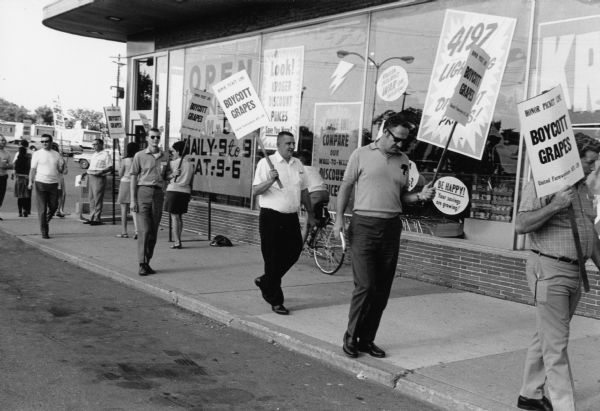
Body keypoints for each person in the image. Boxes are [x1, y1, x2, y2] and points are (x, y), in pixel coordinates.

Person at [332, 112, 436, 359]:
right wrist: (338, 218)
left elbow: (401, 197)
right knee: (365, 285)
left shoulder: (404, 161)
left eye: (404, 141)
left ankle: (367, 339)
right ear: (385, 131)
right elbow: (345, 187)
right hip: (364, 225)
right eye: (397, 139)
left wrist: (419, 196)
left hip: (390, 227)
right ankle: (351, 336)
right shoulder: (361, 154)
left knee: (381, 289)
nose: (400, 144)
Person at [515, 133, 600, 411]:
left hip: (575, 272)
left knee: (549, 334)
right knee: (557, 342)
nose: (593, 167)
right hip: (550, 269)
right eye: (589, 162)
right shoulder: (544, 183)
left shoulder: (583, 189)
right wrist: (555, 206)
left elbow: (591, 236)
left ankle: (529, 394)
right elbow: (521, 224)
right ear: (573, 160)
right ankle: (566, 406)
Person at [252, 131, 316, 315]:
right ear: (278, 145)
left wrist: (310, 214)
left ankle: (266, 280)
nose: (291, 146)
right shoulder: (266, 163)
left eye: (293, 143)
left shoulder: (297, 164)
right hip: (271, 217)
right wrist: (271, 179)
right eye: (287, 143)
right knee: (272, 258)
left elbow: (304, 191)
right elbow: (256, 190)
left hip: (291, 217)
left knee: (294, 251)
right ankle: (276, 300)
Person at [130, 128, 169, 276]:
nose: (155, 139)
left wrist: (173, 175)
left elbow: (166, 175)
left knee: (153, 231)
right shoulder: (139, 156)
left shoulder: (165, 156)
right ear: (147, 138)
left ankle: (147, 261)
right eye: (152, 137)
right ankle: (141, 263)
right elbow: (133, 176)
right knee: (144, 230)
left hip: (158, 194)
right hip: (143, 192)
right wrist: (133, 200)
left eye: (158, 137)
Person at [28, 134, 65, 238]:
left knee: (54, 206)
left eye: (46, 141)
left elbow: (61, 171)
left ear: (51, 142)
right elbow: (32, 169)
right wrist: (30, 182)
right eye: (42, 141)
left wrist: (62, 165)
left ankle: (45, 221)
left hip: (53, 184)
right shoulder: (37, 154)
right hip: (40, 183)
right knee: (42, 209)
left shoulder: (56, 154)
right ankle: (44, 231)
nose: (44, 143)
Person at [165, 140, 194, 249]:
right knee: (179, 217)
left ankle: (177, 241)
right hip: (185, 192)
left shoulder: (173, 163)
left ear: (178, 151)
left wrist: (172, 175)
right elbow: (191, 181)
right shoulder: (190, 165)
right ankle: (178, 239)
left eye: (173, 151)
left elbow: (164, 177)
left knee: (174, 217)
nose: (172, 153)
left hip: (174, 191)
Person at [297, 150, 329, 244]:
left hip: (314, 195)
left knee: (306, 225)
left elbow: (298, 187)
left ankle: (298, 249)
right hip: (325, 194)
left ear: (300, 161)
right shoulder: (315, 169)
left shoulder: (301, 170)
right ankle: (316, 228)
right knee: (315, 215)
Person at [83, 138, 112, 225]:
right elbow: (91, 166)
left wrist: (101, 171)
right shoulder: (94, 154)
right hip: (91, 175)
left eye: (95, 144)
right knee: (91, 198)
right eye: (93, 144)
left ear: (101, 144)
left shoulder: (105, 155)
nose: (94, 146)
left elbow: (110, 167)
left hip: (99, 177)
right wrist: (85, 173)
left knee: (97, 198)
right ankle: (91, 217)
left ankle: (97, 218)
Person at [116, 142, 139, 239]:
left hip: (125, 183)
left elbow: (120, 174)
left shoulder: (125, 160)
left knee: (124, 210)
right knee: (134, 209)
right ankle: (137, 230)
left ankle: (124, 232)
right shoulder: (138, 160)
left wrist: (119, 164)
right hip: (135, 184)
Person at [12, 146, 32, 217]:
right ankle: (25, 210)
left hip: (19, 180)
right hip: (26, 180)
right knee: (26, 197)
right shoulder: (28, 160)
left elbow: (14, 172)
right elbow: (30, 170)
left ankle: (20, 212)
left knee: (20, 197)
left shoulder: (17, 161)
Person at [51, 142, 68, 218]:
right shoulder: (60, 158)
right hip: (57, 178)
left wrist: (64, 164)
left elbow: (65, 171)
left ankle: (57, 210)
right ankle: (58, 210)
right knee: (61, 195)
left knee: (58, 195)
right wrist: (64, 165)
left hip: (54, 178)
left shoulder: (60, 158)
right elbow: (65, 171)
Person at [0, 134, 13, 221]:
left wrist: (5, 166)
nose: (3, 141)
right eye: (1, 140)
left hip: (3, 177)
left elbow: (11, 165)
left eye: (4, 140)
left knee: (1, 196)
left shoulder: (7, 153)